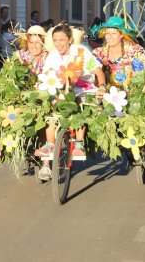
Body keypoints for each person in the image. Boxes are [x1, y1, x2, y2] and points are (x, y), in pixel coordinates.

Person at [91, 17, 145, 182]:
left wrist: (140, 89)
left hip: (135, 94)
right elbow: (90, 71)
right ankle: (130, 155)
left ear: (121, 34)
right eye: (107, 33)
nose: (109, 37)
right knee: (114, 128)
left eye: (113, 33)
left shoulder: (134, 51)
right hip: (111, 98)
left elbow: (144, 72)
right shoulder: (99, 53)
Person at [34, 24, 106, 180]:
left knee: (81, 107)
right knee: (48, 109)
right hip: (60, 92)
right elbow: (46, 74)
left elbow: (97, 70)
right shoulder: (52, 56)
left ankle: (79, 143)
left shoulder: (82, 53)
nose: (58, 43)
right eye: (55, 40)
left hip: (83, 90)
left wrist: (102, 86)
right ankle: (50, 144)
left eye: (62, 40)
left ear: (70, 40)